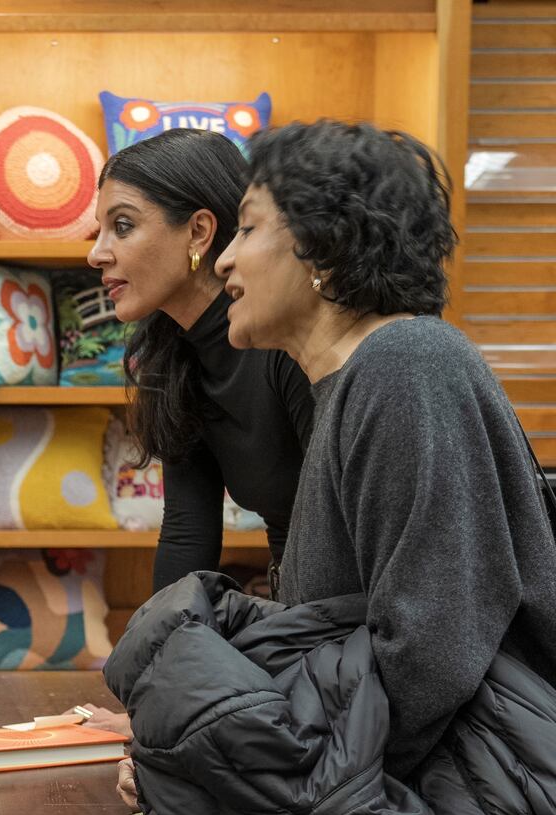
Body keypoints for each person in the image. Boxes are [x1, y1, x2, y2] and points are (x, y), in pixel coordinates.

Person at [215, 120, 556, 777]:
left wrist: (258, 781)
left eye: (249, 228)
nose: (225, 258)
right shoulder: (351, 385)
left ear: (321, 247)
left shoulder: (406, 362)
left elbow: (428, 656)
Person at [89, 127, 314, 596]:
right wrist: (159, 650)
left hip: (362, 626)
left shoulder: (289, 346)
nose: (95, 253)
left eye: (122, 226)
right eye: (99, 231)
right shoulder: (172, 359)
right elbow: (187, 532)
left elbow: (353, 528)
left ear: (198, 231)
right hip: (303, 613)